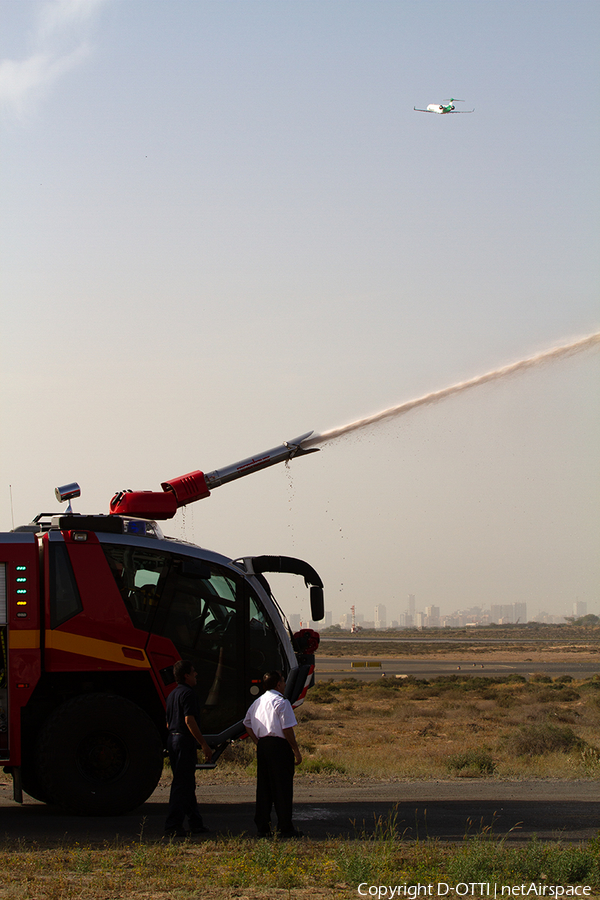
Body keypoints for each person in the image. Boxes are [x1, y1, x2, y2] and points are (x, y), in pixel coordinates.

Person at [243, 670, 303, 839]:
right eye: (283, 681)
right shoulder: (281, 702)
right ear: (278, 684)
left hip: (263, 745)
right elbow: (287, 728)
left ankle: (263, 827)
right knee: (282, 787)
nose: (284, 684)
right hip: (279, 746)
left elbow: (247, 723)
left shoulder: (258, 702)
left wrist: (258, 741)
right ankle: (285, 827)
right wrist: (296, 750)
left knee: (264, 787)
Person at [165, 659, 212, 837]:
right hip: (184, 741)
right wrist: (204, 744)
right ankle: (173, 825)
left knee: (186, 783)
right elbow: (189, 720)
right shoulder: (189, 694)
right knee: (181, 784)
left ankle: (195, 822)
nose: (196, 675)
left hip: (173, 739)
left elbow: (168, 721)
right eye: (193, 672)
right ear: (186, 675)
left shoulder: (172, 695)